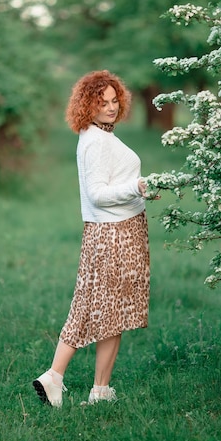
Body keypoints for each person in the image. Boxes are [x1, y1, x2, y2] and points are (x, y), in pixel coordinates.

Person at [33, 70, 154, 407]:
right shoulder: (96, 141)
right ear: (88, 105)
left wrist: (139, 189)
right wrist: (137, 187)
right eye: (102, 103)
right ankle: (95, 390)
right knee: (109, 311)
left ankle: (58, 378)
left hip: (108, 231)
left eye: (115, 101)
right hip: (115, 234)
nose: (111, 108)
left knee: (92, 307)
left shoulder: (95, 135)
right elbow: (98, 194)